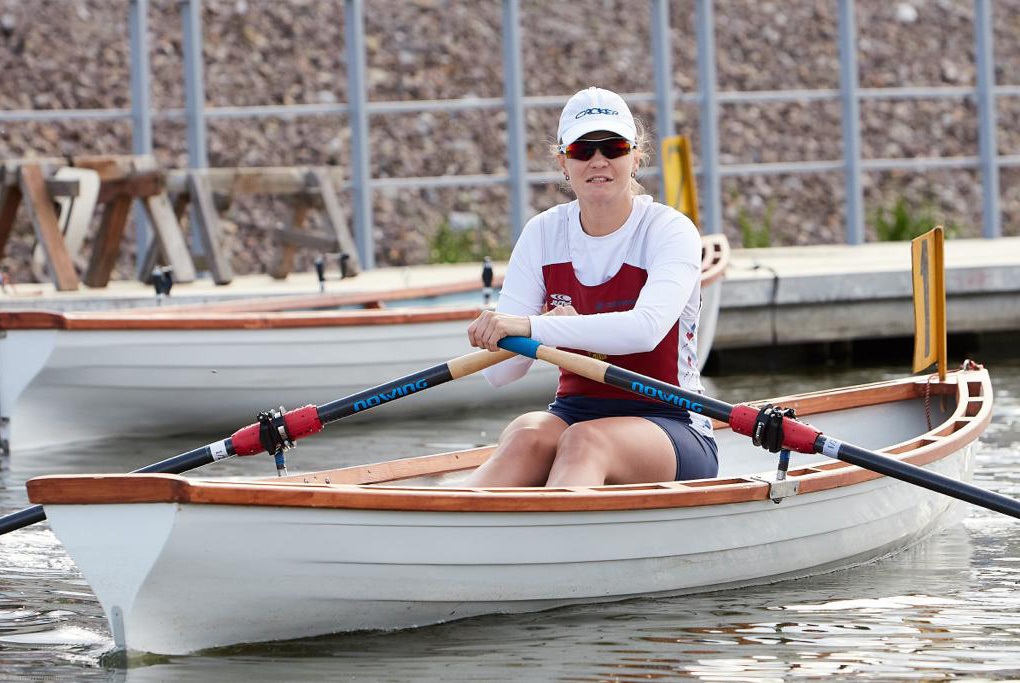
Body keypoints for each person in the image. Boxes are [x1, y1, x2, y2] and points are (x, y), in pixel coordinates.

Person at [464, 86, 718, 488]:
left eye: (612, 147)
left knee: (585, 441)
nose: (598, 160)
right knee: (527, 431)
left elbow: (645, 331)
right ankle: (451, 519)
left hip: (670, 419)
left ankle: (553, 541)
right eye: (583, 150)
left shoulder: (668, 230)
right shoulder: (543, 234)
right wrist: (497, 333)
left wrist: (534, 327)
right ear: (564, 162)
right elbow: (503, 375)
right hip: (573, 410)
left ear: (635, 157)